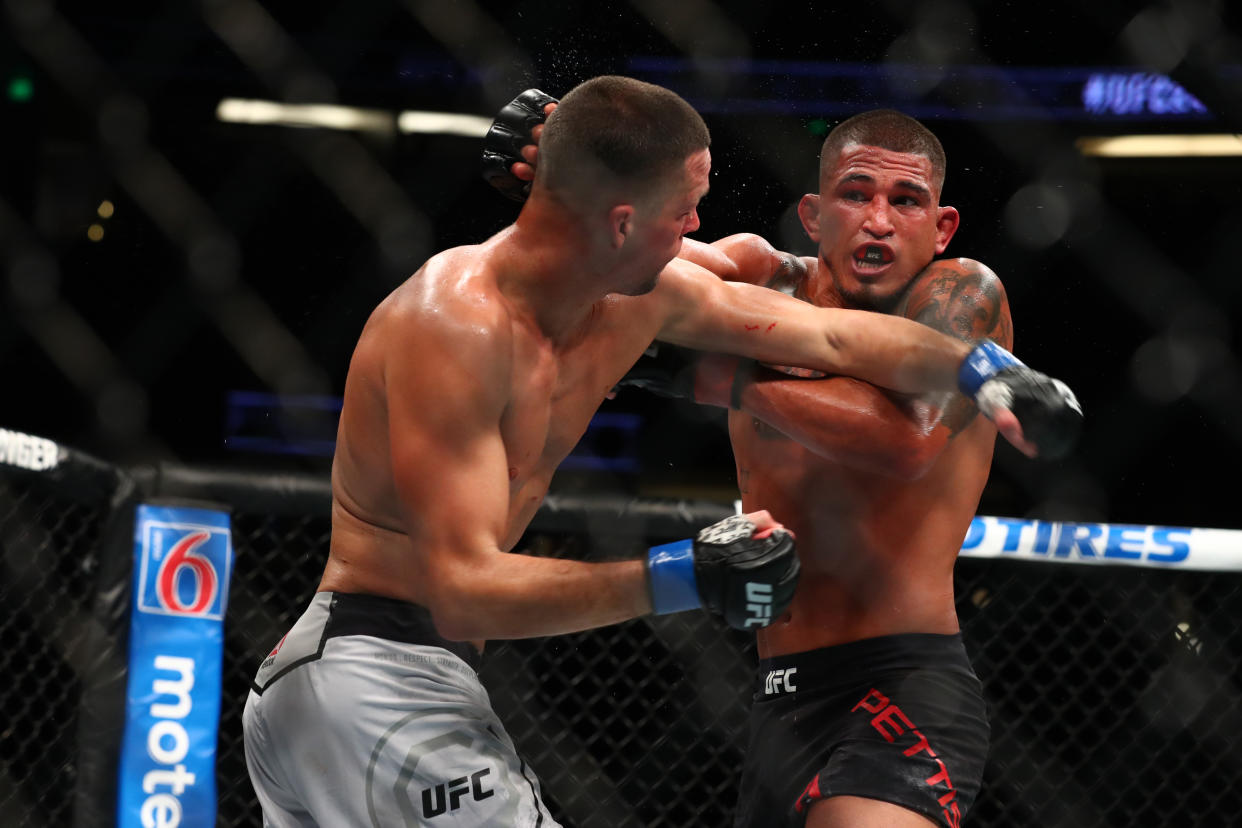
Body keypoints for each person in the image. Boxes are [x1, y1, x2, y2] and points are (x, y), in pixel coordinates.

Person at [243, 76, 1077, 827]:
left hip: (896, 674)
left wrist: (983, 367)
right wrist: (684, 573)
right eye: (685, 208)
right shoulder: (461, 322)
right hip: (379, 667)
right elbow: (461, 590)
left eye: (906, 199)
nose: (696, 229)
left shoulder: (941, 289)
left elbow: (845, 348)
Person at [490, 98, 1078, 827]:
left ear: (941, 224)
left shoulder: (961, 296)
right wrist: (573, 182)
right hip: (775, 695)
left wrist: (709, 376)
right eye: (856, 196)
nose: (880, 221)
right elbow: (634, 262)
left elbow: (907, 442)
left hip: (902, 679)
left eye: (906, 201)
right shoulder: (757, 276)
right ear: (814, 213)